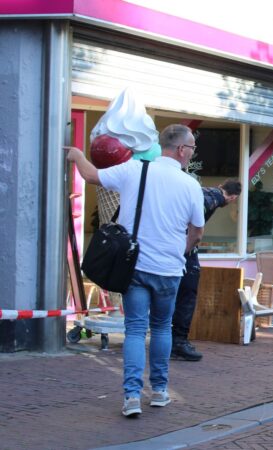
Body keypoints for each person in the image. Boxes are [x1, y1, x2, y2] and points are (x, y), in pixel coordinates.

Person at [66, 123, 205, 418]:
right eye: (192, 148)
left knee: (135, 330)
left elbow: (91, 175)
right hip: (169, 269)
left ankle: (131, 396)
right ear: (181, 149)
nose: (192, 153)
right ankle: (159, 391)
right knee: (161, 328)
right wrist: (181, 250)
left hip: (136, 267)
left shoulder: (133, 170)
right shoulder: (190, 184)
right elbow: (197, 231)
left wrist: (78, 154)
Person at [171, 179, 242, 361]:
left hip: (171, 246)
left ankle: (167, 340)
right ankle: (178, 342)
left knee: (171, 294)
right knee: (187, 295)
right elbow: (198, 215)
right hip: (184, 251)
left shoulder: (206, 190)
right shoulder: (216, 197)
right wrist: (187, 247)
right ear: (233, 197)